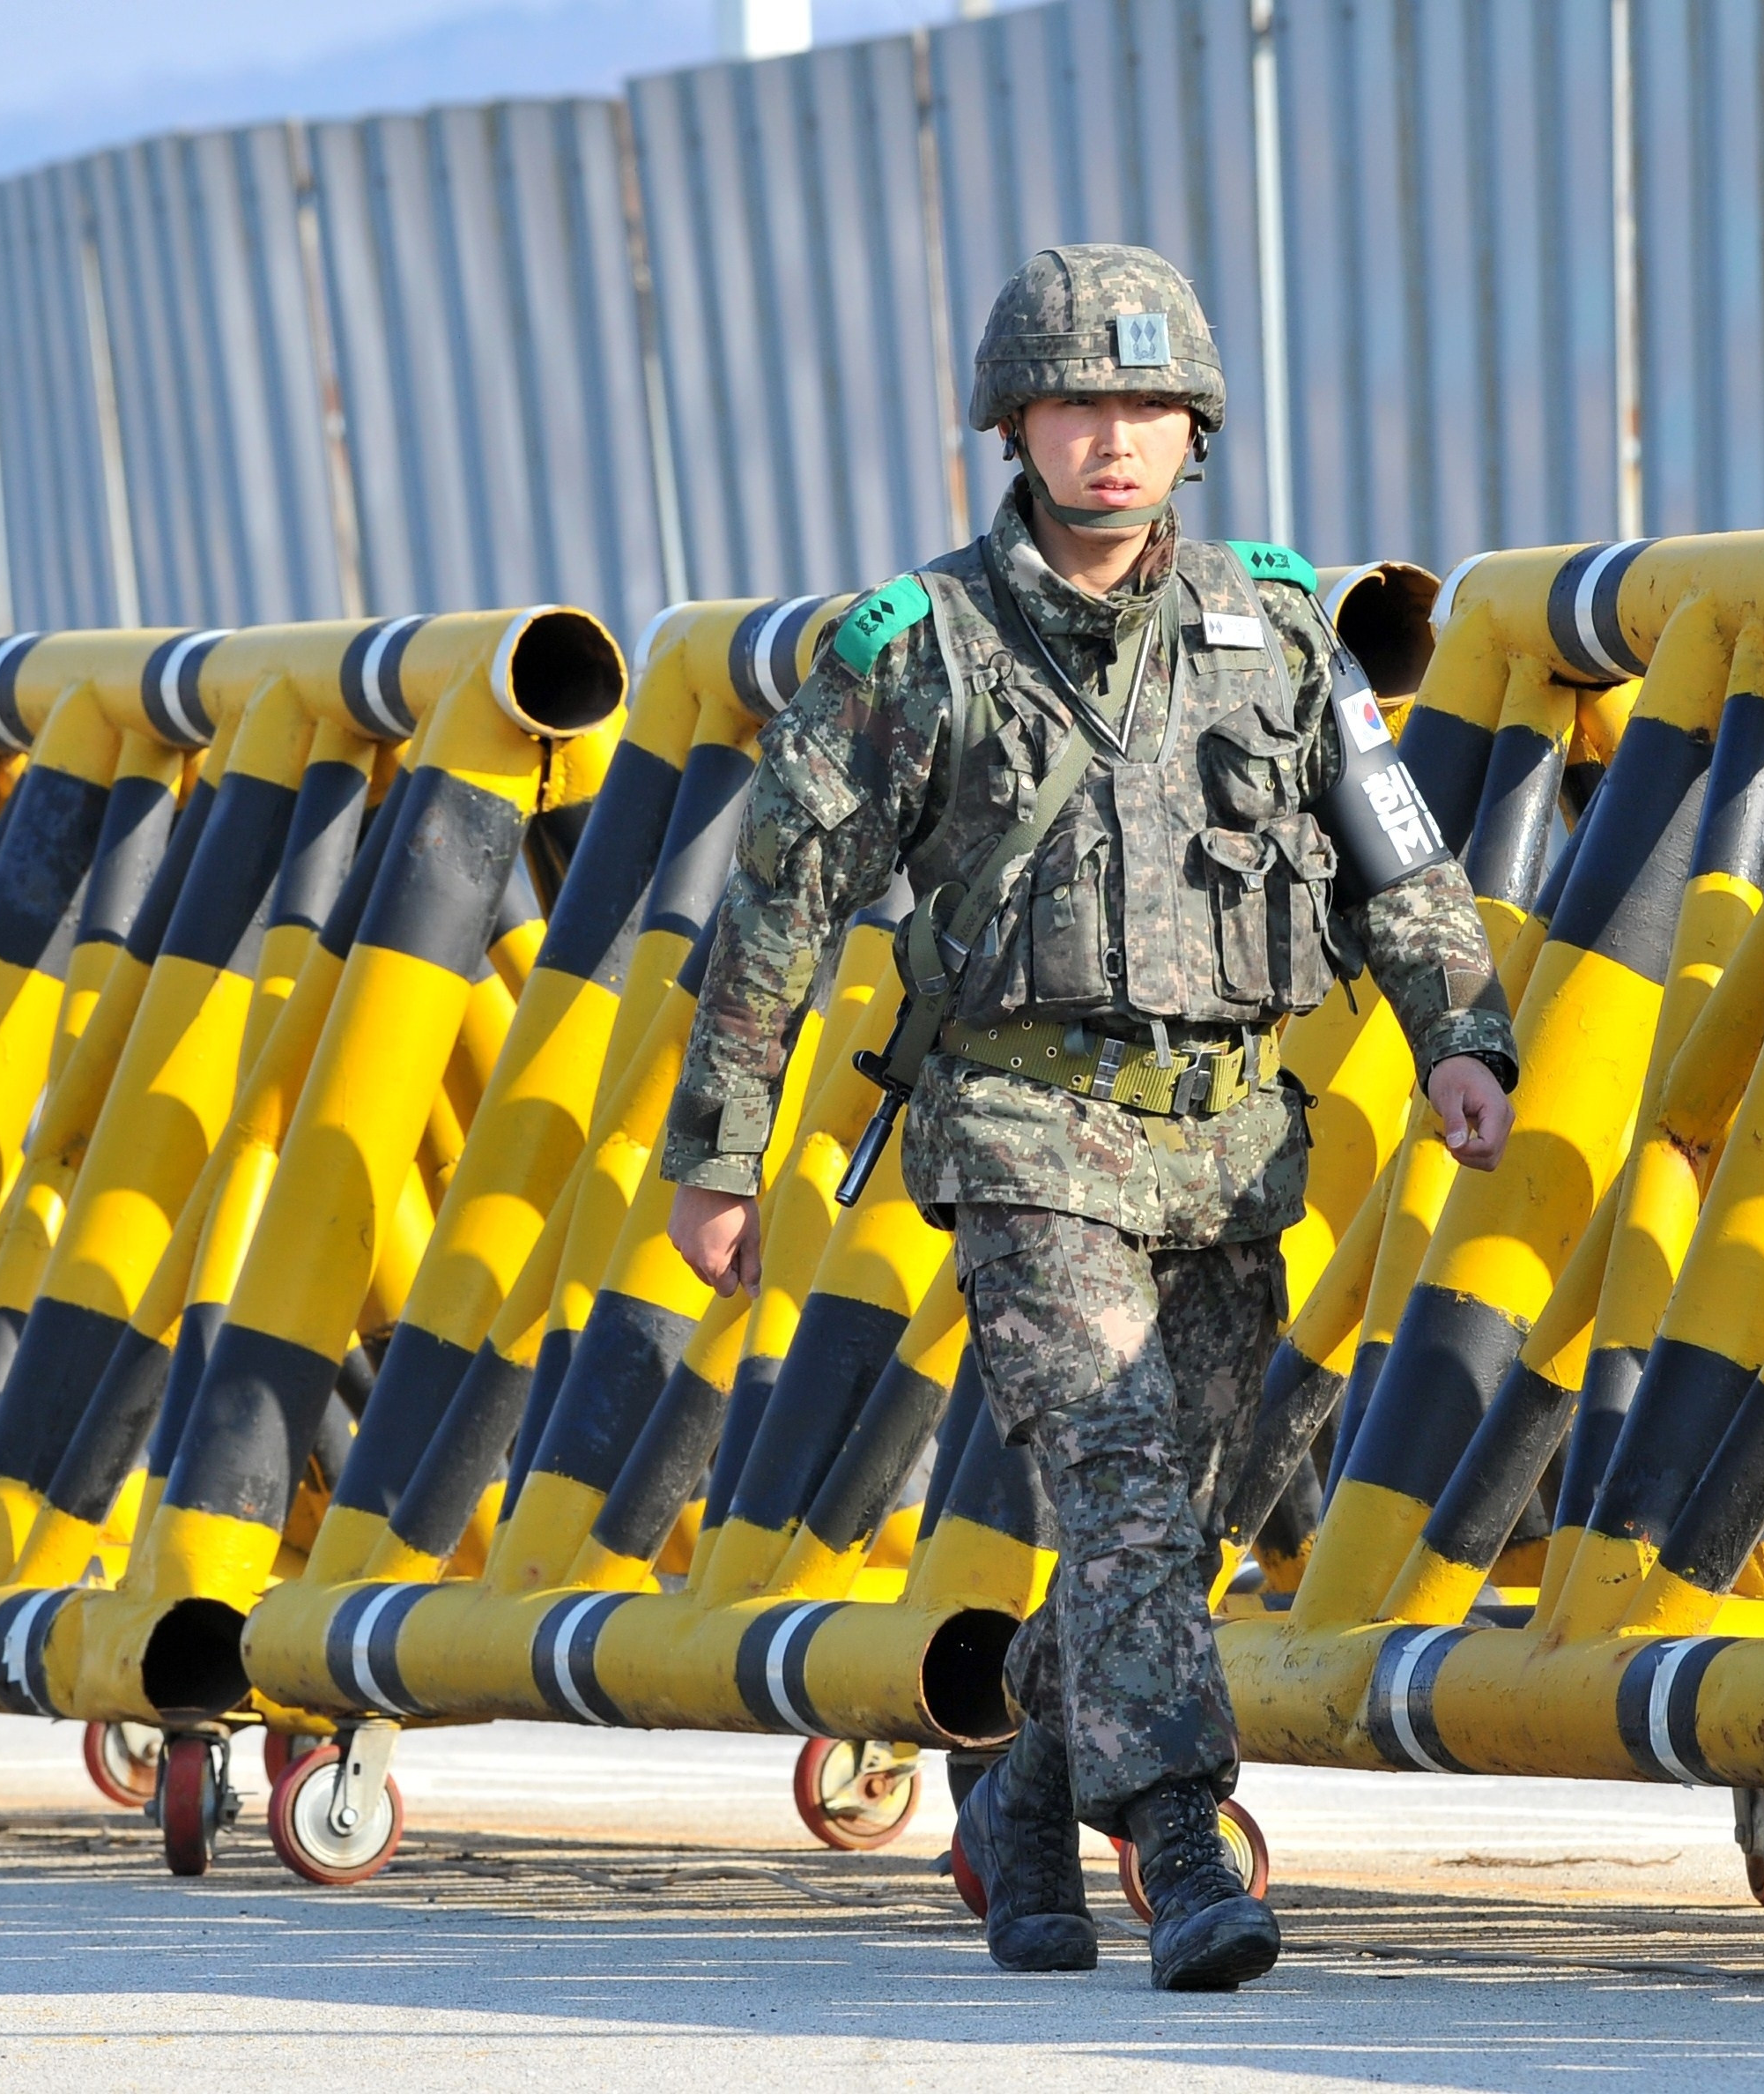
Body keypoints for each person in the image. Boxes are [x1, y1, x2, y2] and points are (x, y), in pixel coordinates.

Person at [658, 244, 1516, 1990]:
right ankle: (1184, 1847)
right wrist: (721, 1149)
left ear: (1189, 428)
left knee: (1170, 1524)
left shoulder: (1277, 627)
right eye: (1075, 404)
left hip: (1226, 1140)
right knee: (1122, 1487)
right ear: (1014, 426)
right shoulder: (917, 647)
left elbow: (1389, 852)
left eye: (1141, 407)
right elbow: (779, 900)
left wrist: (1457, 1034)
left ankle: (1020, 1797)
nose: (1108, 441)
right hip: (1023, 1131)